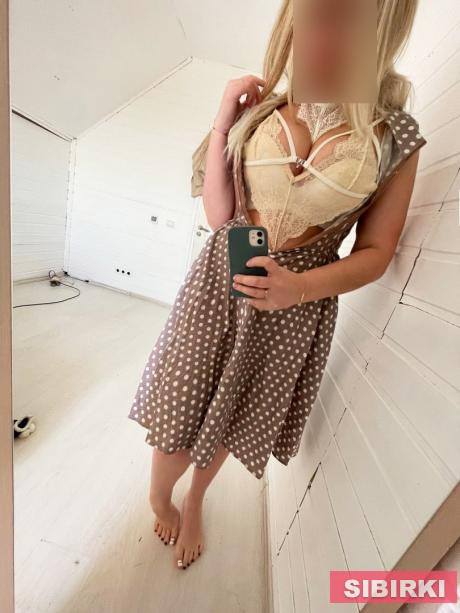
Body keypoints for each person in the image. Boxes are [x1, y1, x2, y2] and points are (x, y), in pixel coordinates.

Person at [128, 0, 427, 570]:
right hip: (219, 285)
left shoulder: (395, 136)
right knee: (179, 411)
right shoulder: (264, 109)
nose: (321, 35)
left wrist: (300, 288)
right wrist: (223, 120)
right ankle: (160, 497)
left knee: (230, 417)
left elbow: (376, 253)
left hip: (293, 308)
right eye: (312, 17)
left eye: (346, 19)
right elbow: (221, 217)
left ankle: (197, 499)